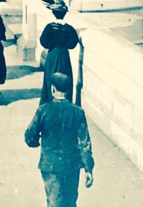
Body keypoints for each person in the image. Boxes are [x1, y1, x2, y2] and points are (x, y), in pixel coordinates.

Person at [24, 72, 94, 207]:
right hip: (71, 164)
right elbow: (84, 143)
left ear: (53, 89)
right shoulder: (78, 112)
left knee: (54, 200)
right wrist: (88, 168)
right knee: (70, 201)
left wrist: (36, 141)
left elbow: (30, 136)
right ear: (67, 90)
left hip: (50, 164)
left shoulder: (44, 110)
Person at [39, 0, 80, 104]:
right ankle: (66, 101)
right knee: (65, 76)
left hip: (52, 55)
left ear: (53, 13)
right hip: (64, 55)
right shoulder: (69, 28)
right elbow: (73, 44)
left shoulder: (50, 27)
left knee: (50, 77)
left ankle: (49, 102)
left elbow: (44, 42)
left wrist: (53, 44)